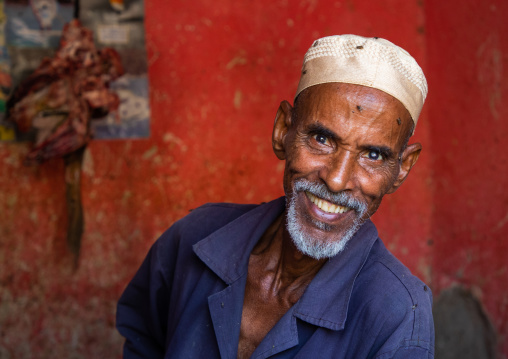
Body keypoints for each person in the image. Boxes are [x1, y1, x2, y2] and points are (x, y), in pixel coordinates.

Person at [116, 34, 435, 359]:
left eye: (374, 156)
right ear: (284, 130)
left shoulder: (397, 315)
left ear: (402, 168)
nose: (337, 181)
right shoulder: (195, 239)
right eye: (322, 139)